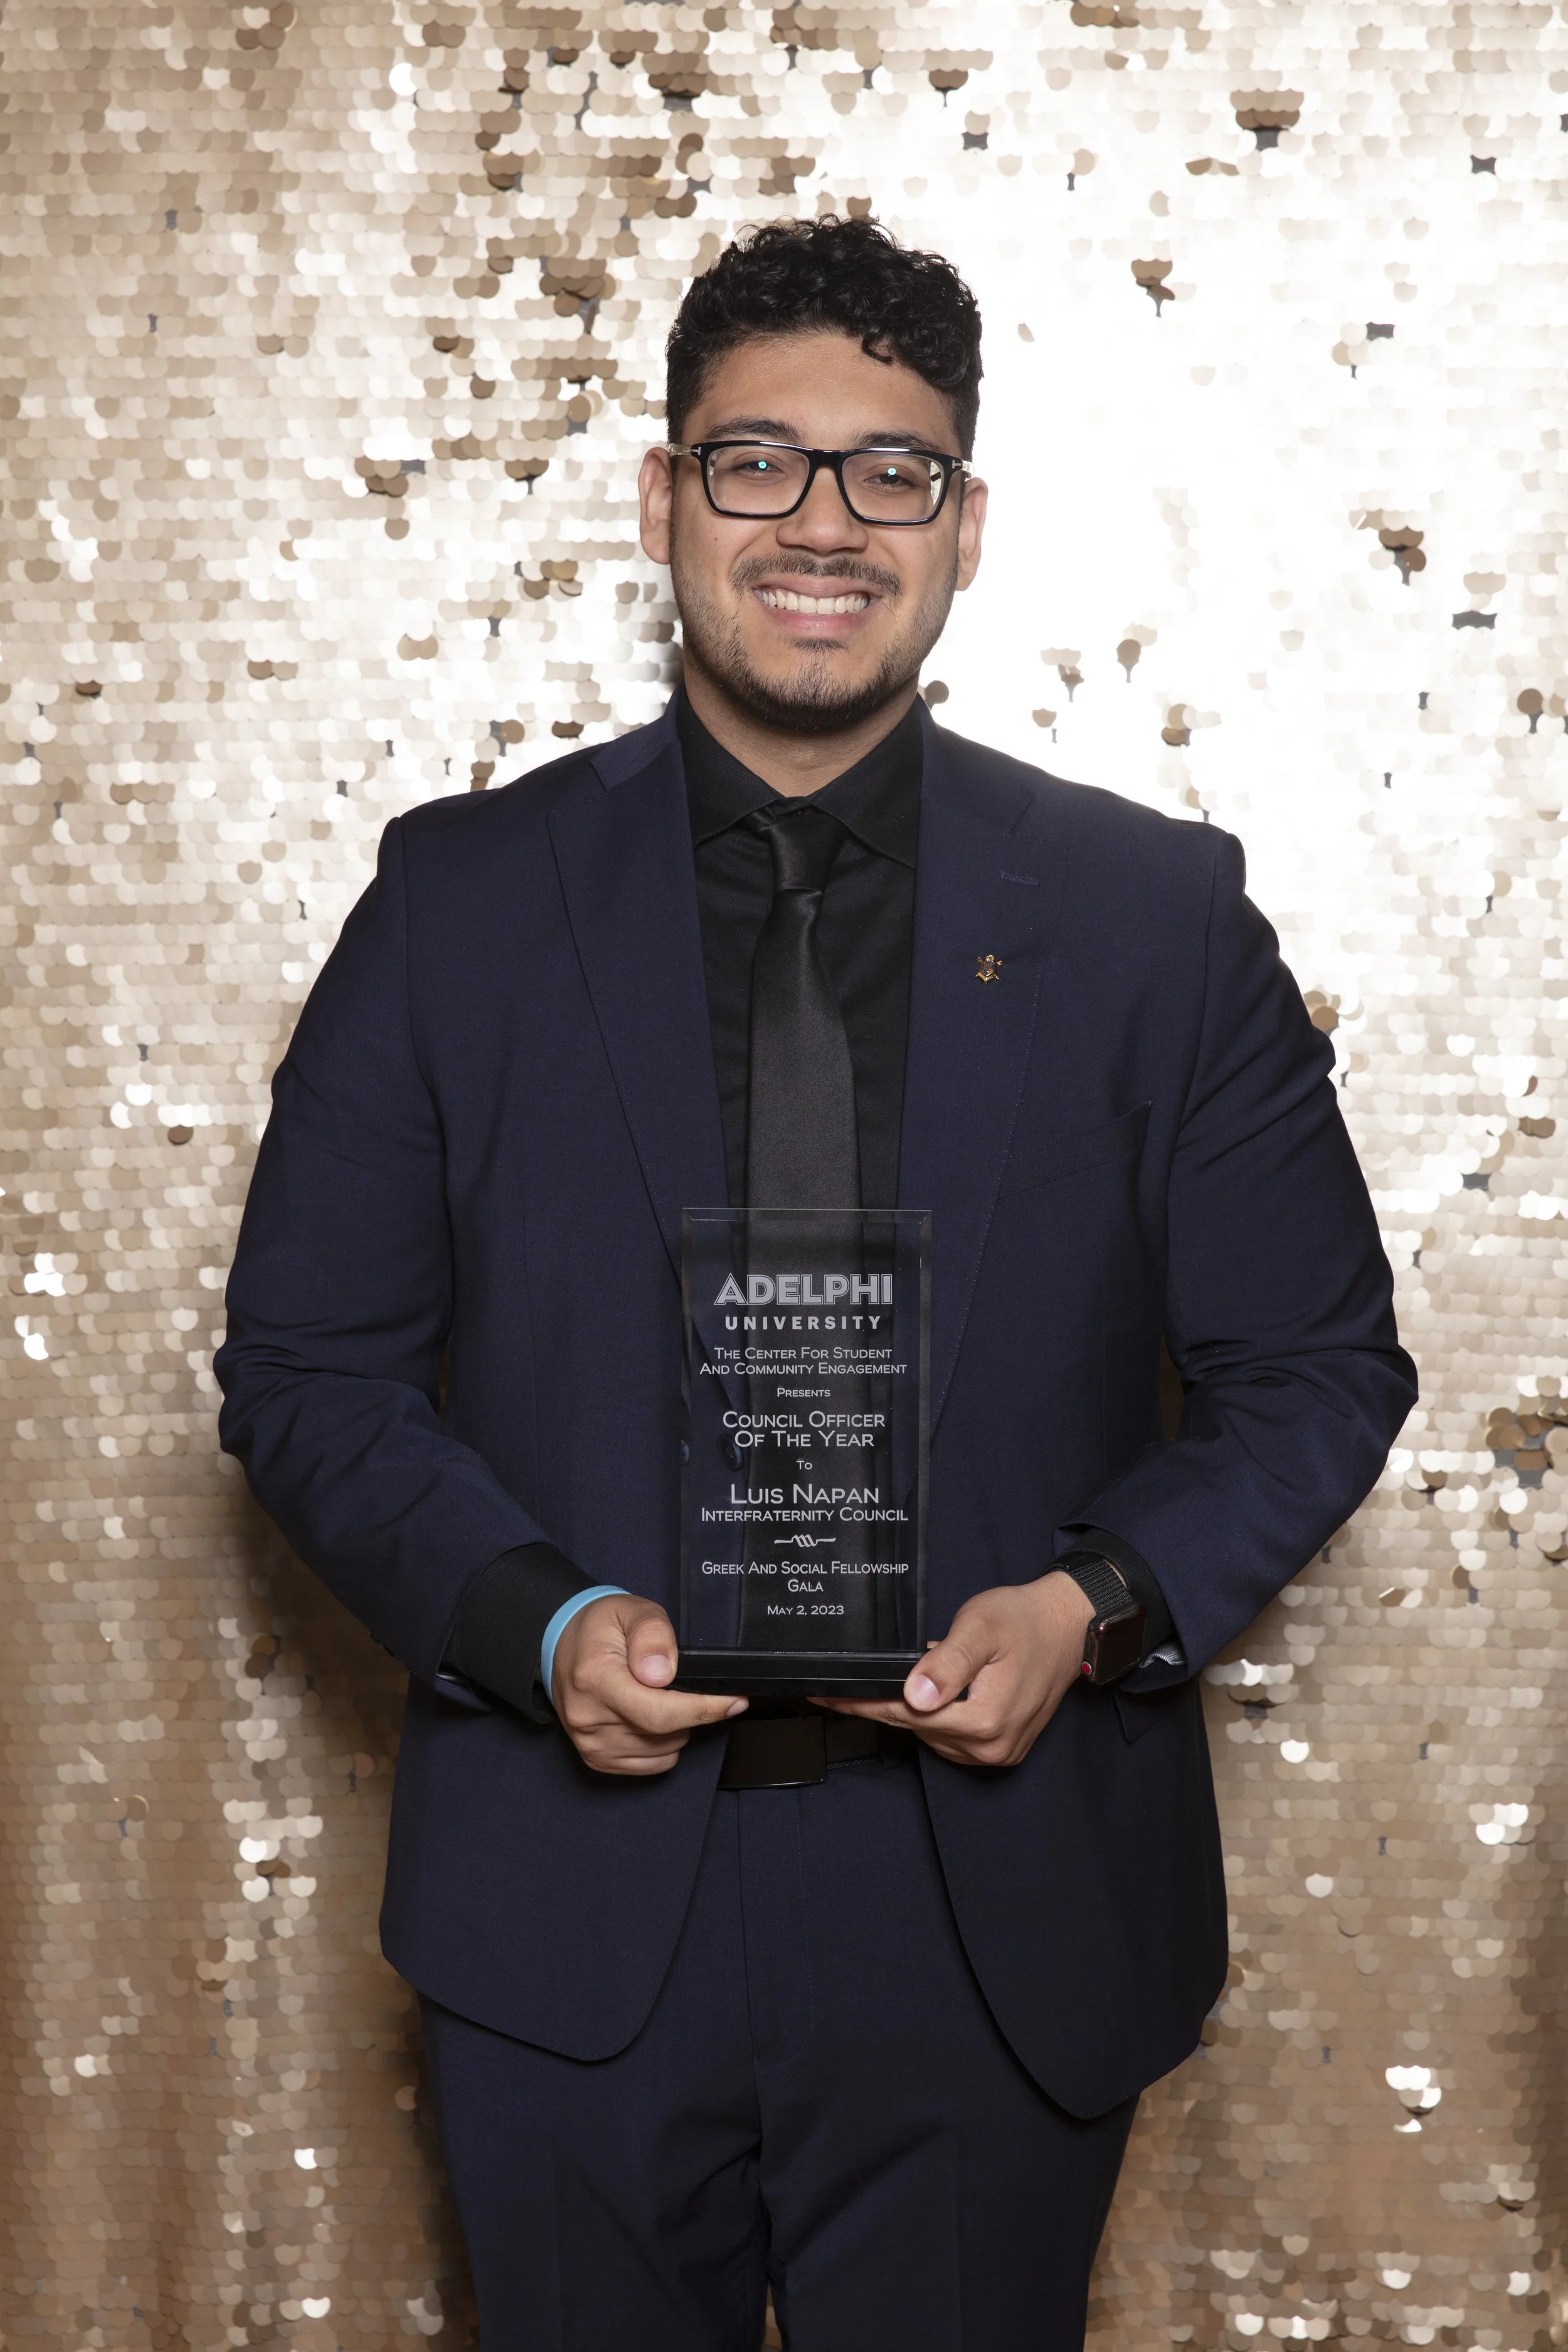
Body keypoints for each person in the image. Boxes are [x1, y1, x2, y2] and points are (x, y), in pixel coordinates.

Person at [216, 216, 1417, 2351]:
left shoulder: (1155, 922)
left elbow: (1315, 1368)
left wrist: (1093, 1608)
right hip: (570, 1910)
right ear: (663, 499)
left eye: (892, 472)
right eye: (759, 461)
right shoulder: (453, 903)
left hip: (995, 1914)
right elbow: (310, 1370)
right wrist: (538, 1621)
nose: (823, 524)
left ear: (963, 528)